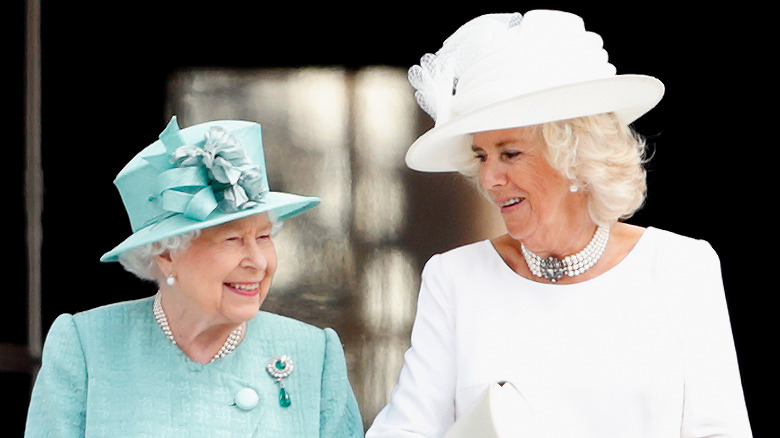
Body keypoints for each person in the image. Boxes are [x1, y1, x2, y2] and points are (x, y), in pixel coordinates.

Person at [366, 10, 752, 438]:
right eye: (481, 156)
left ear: (576, 157)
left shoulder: (683, 266)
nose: (490, 178)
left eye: (509, 153)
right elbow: (403, 432)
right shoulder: (455, 278)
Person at [25, 117, 363, 436]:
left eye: (263, 237)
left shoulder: (313, 355)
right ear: (168, 254)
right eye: (232, 240)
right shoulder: (86, 347)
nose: (259, 262)